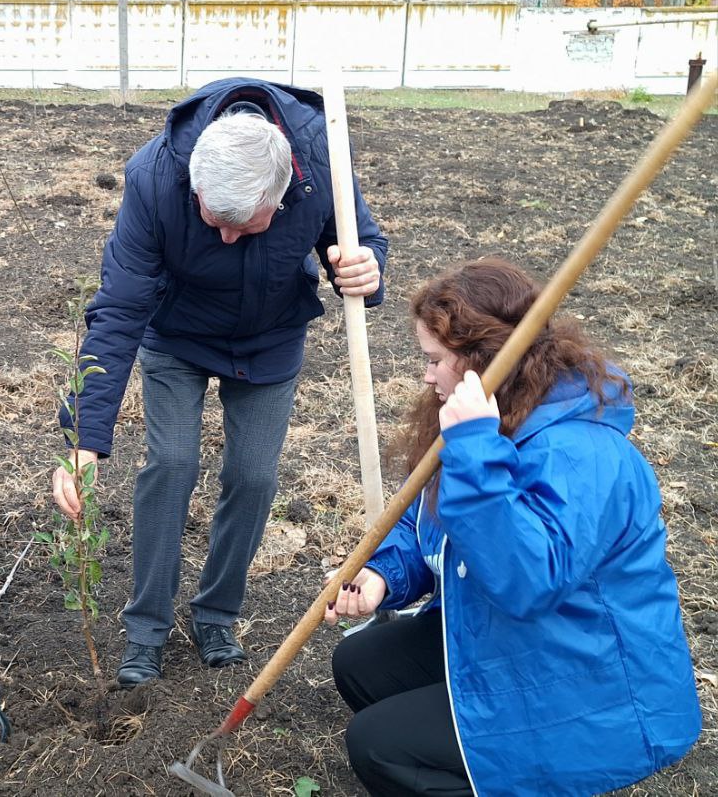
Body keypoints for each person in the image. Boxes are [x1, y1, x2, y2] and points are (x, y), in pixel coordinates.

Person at [49, 78, 388, 687]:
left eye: (246, 225)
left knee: (255, 476)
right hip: (176, 336)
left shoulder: (320, 158)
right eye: (214, 220)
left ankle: (217, 615)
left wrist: (364, 268)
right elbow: (120, 309)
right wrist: (85, 437)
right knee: (172, 464)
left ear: (281, 193)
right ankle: (146, 630)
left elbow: (359, 241)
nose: (227, 236)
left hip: (270, 336)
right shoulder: (155, 178)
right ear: (195, 185)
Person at [327, 259, 701, 796]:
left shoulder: (583, 454)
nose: (427, 375)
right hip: (516, 637)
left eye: (435, 361)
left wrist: (476, 451)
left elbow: (526, 581)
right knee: (361, 663)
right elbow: (428, 519)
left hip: (593, 682)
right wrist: (386, 574)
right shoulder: (489, 413)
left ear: (482, 362)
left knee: (378, 744)